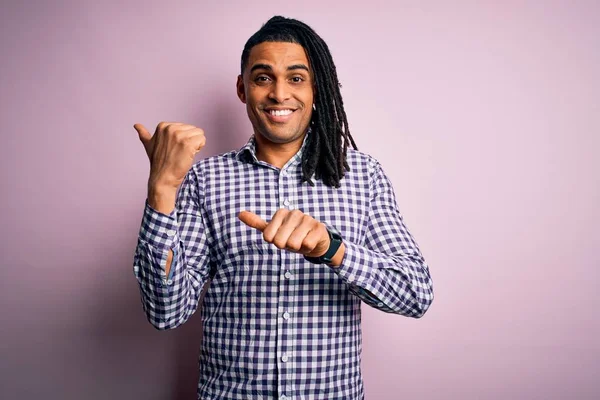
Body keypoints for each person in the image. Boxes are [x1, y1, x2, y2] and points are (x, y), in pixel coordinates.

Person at [133, 15, 434, 400]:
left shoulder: (362, 175)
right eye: (263, 78)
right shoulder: (204, 179)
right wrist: (161, 189)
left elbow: (415, 293)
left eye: (296, 78)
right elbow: (166, 312)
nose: (279, 94)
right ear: (243, 89)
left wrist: (333, 249)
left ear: (316, 88)